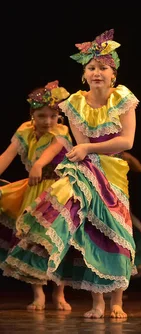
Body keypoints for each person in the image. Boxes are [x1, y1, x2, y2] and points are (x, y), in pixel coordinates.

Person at [7, 29, 139, 319]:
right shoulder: (75, 103)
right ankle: (97, 303)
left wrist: (90, 147)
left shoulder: (124, 98)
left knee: (116, 232)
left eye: (103, 67)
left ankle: (116, 301)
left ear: (113, 73)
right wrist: (86, 150)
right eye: (91, 68)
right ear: (84, 73)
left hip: (114, 171)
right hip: (87, 169)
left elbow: (126, 141)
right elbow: (80, 146)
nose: (97, 72)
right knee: (90, 231)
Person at [0, 81, 72, 311]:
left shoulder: (62, 130)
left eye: (53, 116)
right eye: (42, 116)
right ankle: (38, 293)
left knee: (55, 241)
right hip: (34, 190)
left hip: (57, 191)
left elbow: (50, 152)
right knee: (31, 240)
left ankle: (59, 293)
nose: (48, 121)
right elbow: (7, 155)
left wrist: (39, 164)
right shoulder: (24, 131)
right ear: (32, 114)